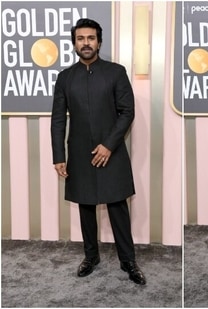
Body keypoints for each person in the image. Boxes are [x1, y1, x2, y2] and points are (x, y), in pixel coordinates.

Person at [51, 18, 146, 285]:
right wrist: (58, 155)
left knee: (117, 204)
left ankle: (128, 260)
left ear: (99, 42)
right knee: (86, 205)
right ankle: (90, 256)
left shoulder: (116, 72)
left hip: (112, 150)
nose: (86, 43)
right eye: (81, 39)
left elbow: (127, 112)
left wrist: (108, 145)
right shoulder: (65, 78)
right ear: (74, 43)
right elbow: (58, 118)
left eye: (90, 38)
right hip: (79, 153)